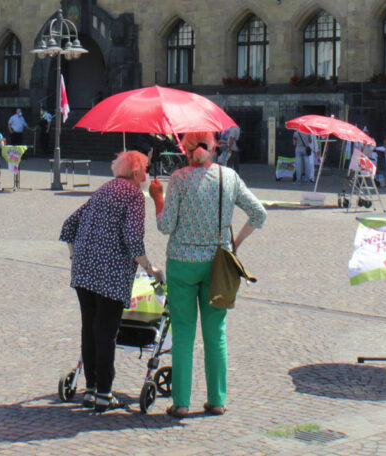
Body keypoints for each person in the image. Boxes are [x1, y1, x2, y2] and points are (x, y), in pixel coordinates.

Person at [151, 132, 266, 418]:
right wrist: (234, 244)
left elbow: (165, 227)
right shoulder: (229, 177)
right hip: (218, 263)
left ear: (186, 150)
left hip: (182, 262)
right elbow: (259, 214)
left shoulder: (178, 178)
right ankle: (217, 400)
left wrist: (157, 198)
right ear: (214, 148)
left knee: (184, 335)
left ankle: (181, 403)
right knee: (216, 334)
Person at [59, 151, 163, 412]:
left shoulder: (104, 189)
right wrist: (150, 268)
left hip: (83, 270)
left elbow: (69, 224)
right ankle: (104, 393)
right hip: (110, 273)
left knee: (90, 328)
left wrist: (75, 254)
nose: (148, 175)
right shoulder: (134, 196)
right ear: (138, 173)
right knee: (106, 332)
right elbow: (132, 239)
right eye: (146, 170)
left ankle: (92, 388)